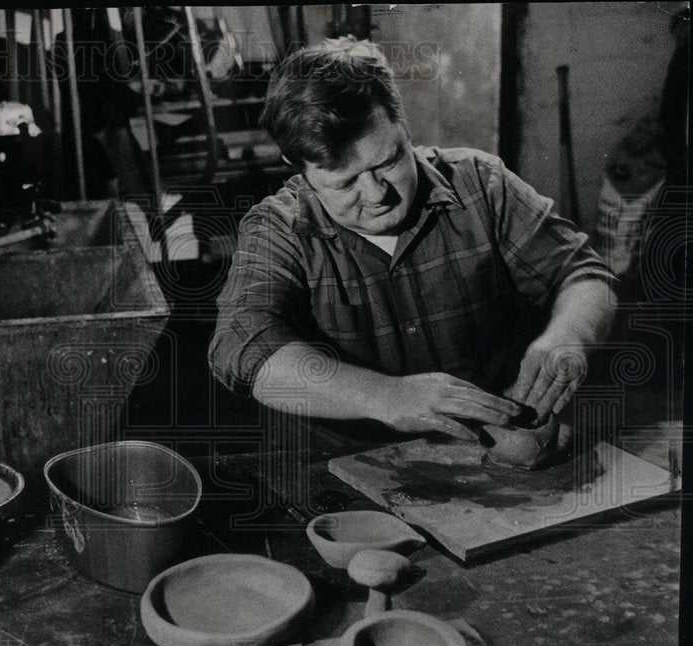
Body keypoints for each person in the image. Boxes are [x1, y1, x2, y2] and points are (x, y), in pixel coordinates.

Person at [209, 37, 617, 441]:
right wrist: (384, 396)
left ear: (403, 125)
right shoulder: (279, 227)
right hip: (352, 462)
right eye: (345, 182)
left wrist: (568, 338)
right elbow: (242, 346)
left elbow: (581, 274)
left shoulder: (482, 183)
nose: (376, 194)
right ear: (298, 169)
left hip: (493, 446)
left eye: (387, 162)